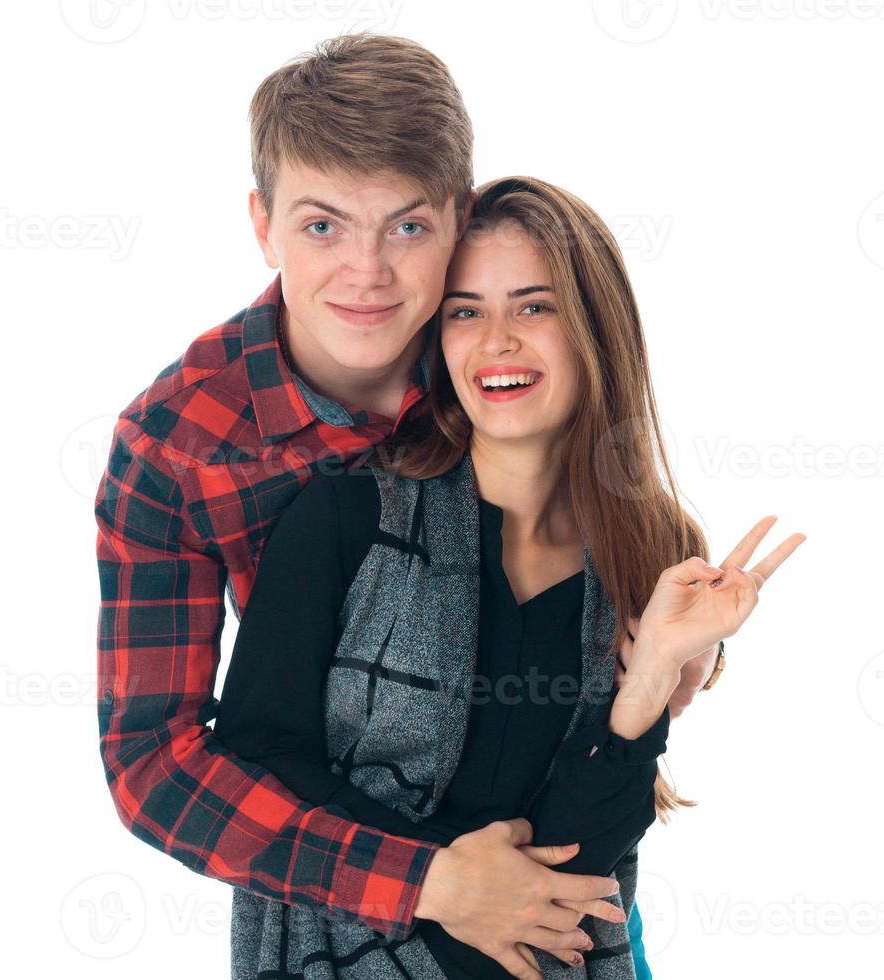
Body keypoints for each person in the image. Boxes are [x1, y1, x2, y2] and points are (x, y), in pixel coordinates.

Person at [94, 35, 673, 976]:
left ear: (460, 218)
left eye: (406, 228)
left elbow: (612, 513)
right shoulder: (178, 444)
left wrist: (671, 657)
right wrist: (434, 880)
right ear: (262, 224)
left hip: (565, 876)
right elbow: (154, 766)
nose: (367, 272)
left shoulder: (492, 350)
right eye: (322, 226)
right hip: (352, 901)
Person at [211, 176, 806, 978]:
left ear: (593, 326)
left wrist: (651, 679)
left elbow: (587, 859)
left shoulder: (655, 549)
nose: (497, 341)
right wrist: (449, 885)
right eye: (465, 311)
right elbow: (257, 769)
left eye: (534, 306)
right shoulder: (345, 517)